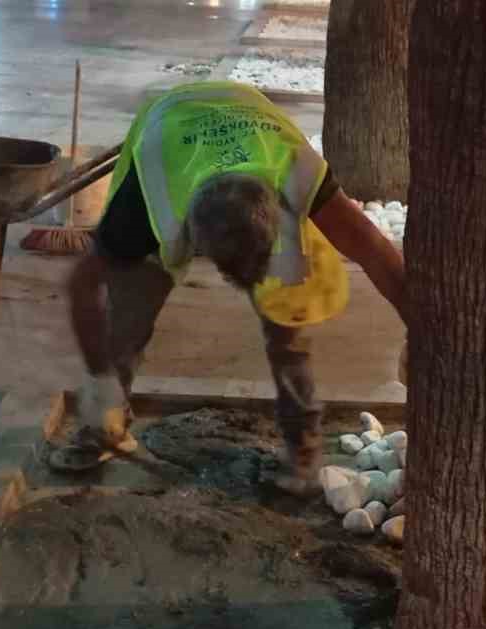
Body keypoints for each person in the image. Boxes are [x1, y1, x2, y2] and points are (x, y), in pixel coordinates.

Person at [65, 80, 407, 491]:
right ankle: (103, 425)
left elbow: (372, 249)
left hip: (251, 118)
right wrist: (99, 377)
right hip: (171, 123)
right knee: (130, 313)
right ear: (194, 240)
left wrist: (421, 330)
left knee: (287, 315)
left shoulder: (296, 169)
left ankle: (302, 448)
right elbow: (82, 286)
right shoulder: (145, 201)